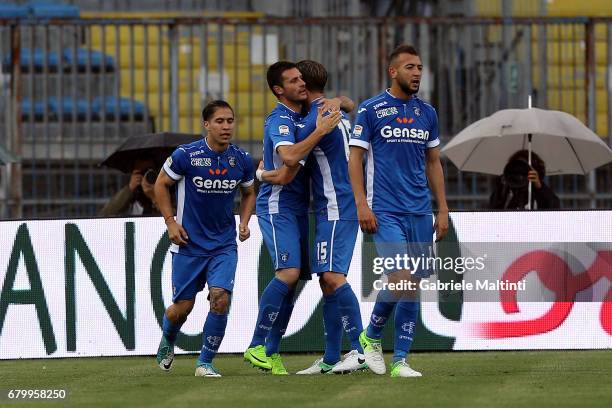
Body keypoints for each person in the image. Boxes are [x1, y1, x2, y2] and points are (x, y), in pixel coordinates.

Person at [256, 60, 366, 375]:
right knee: (327, 282)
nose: (298, 86)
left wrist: (262, 173)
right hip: (335, 207)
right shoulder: (337, 110)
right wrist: (342, 100)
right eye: (293, 81)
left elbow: (290, 159)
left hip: (335, 207)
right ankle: (332, 358)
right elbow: (349, 103)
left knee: (331, 278)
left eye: (300, 80)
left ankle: (361, 348)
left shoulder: (314, 121)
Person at [348, 44, 449, 378]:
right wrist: (362, 203)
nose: (417, 72)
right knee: (401, 279)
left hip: (420, 211)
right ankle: (371, 336)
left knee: (414, 285)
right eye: (410, 67)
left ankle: (400, 360)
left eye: (419, 67)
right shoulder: (371, 110)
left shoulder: (427, 114)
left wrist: (443, 207)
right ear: (393, 72)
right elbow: (356, 159)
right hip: (385, 210)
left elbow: (433, 162)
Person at [153, 100, 256, 377]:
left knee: (220, 298)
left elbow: (249, 193)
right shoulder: (186, 155)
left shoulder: (242, 159)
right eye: (220, 121)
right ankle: (169, 338)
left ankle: (205, 362)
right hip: (189, 244)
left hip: (223, 245)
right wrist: (170, 222)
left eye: (230, 121)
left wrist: (244, 222)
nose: (226, 126)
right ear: (206, 124)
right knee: (181, 309)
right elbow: (160, 184)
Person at [489, 150, 560, 210]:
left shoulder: (539, 190)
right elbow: (492, 211)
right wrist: (502, 187)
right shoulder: (505, 190)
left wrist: (539, 187)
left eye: (524, 169)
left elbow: (554, 208)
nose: (519, 174)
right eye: (516, 169)